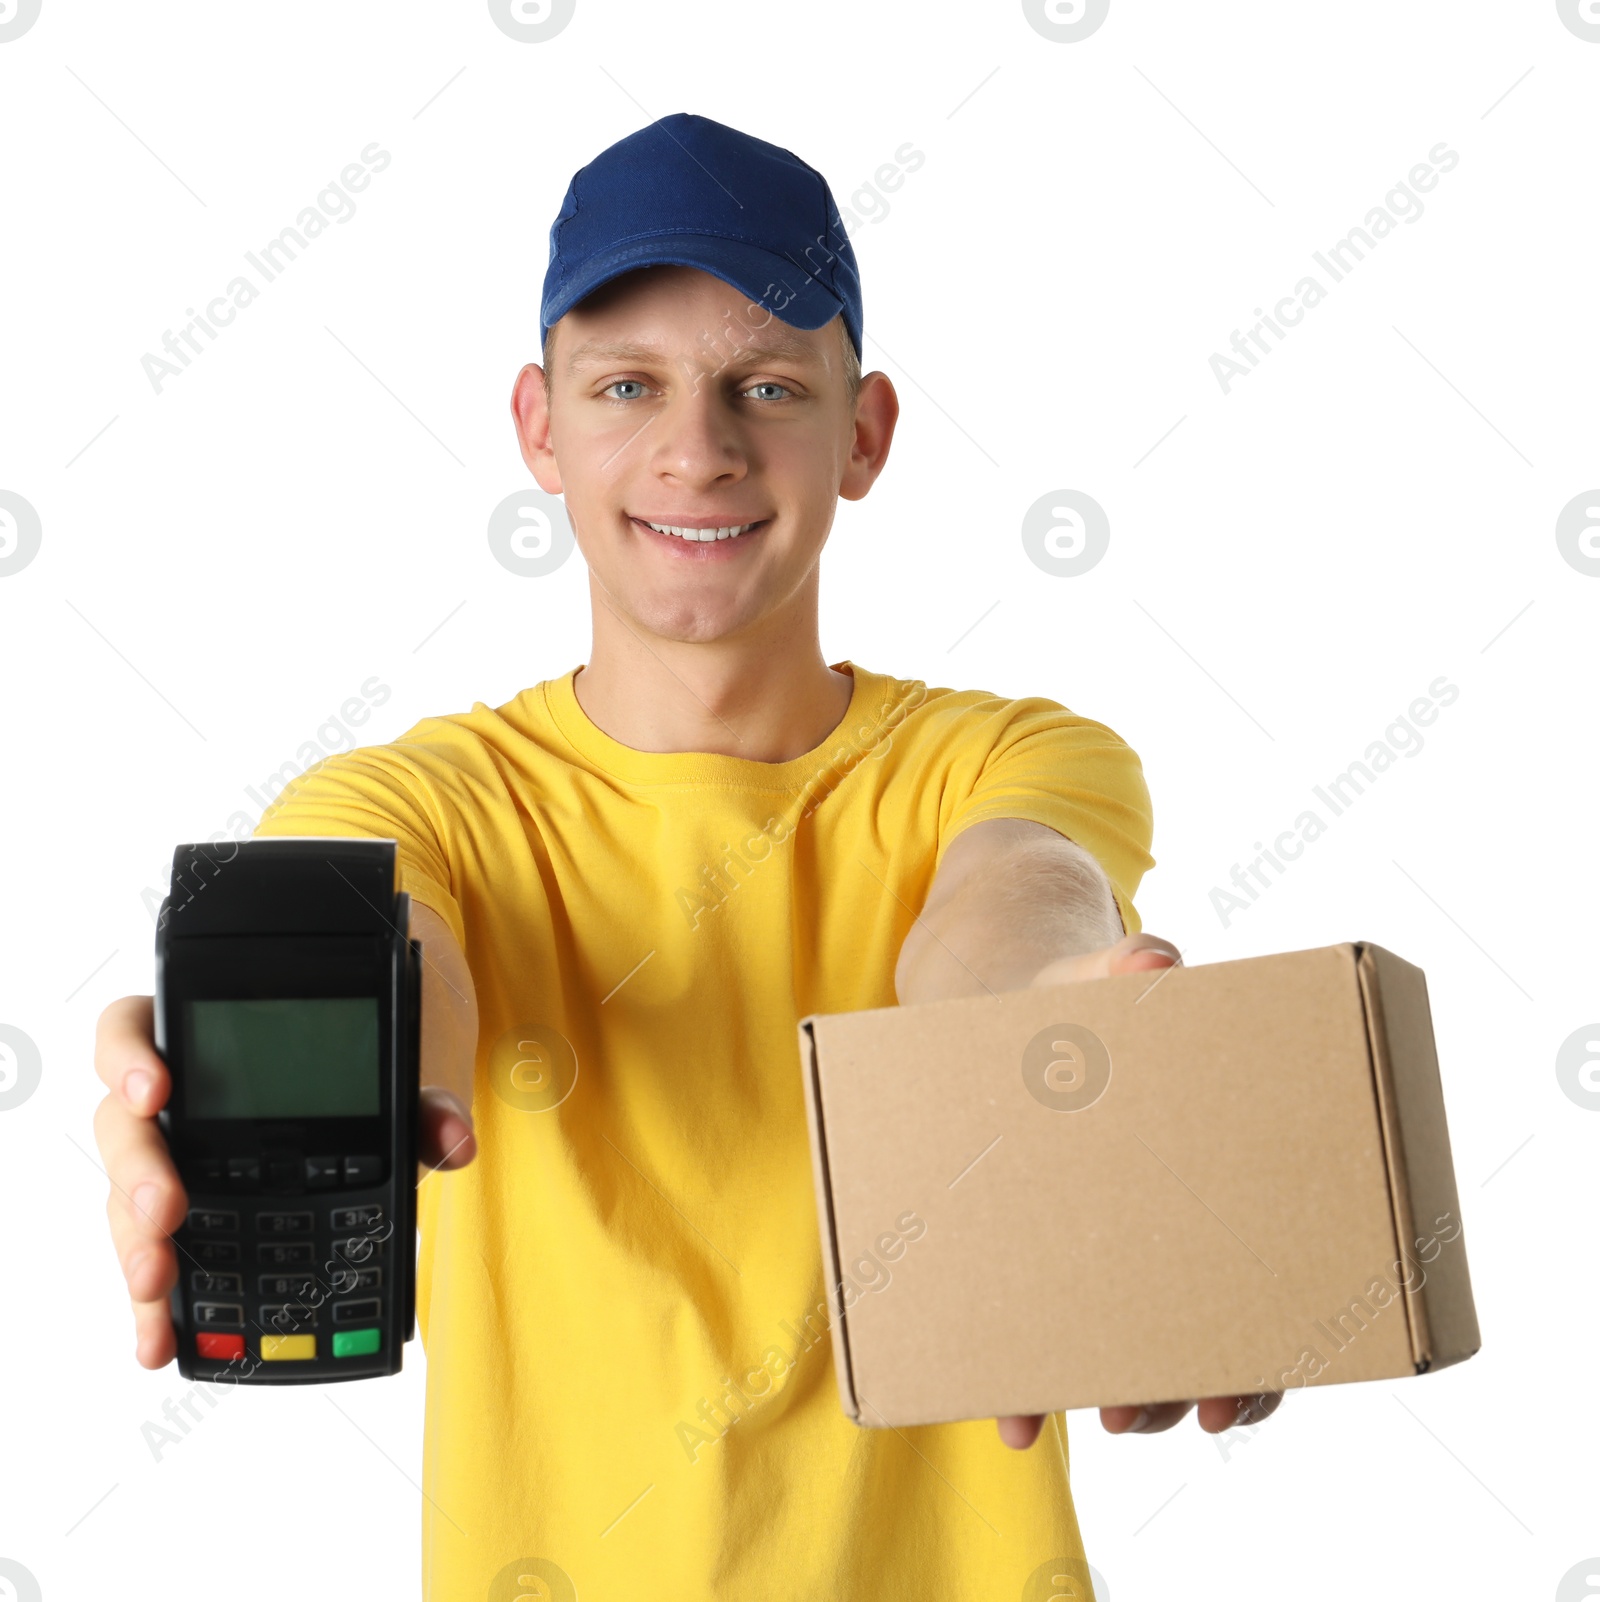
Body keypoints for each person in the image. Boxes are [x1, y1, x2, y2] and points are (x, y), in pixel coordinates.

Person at [93, 113, 1280, 1598]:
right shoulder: (422, 801)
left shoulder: (1006, 758)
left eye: (765, 386)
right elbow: (385, 953)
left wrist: (1061, 1037)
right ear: (540, 426)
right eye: (628, 386)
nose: (696, 450)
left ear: (865, 433)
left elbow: (1014, 905)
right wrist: (326, 1072)